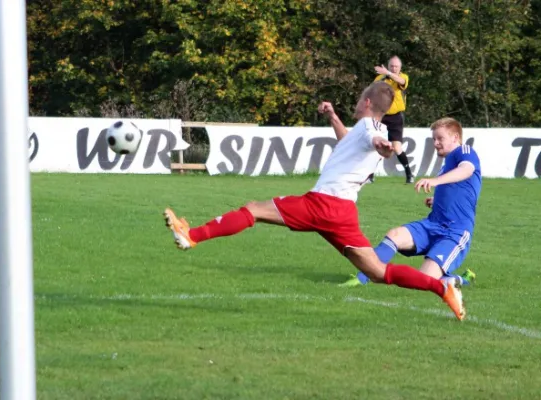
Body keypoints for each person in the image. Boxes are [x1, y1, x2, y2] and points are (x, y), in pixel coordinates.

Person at [163, 82, 465, 321]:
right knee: (377, 272)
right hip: (343, 212)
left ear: (368, 102)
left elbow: (373, 139)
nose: (357, 102)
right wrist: (334, 117)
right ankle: (442, 288)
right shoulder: (366, 129)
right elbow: (351, 140)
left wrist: (383, 147)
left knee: (254, 209)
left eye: (360, 98)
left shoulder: (371, 128)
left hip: (324, 204)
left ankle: (192, 236)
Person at [343, 117, 481, 291]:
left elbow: (466, 170)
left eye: (440, 138)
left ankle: (461, 279)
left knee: (423, 280)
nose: (436, 143)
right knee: (395, 235)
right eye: (434, 139)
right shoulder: (446, 165)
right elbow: (458, 191)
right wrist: (437, 201)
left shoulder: (465, 151)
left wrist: (435, 181)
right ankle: (362, 278)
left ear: (455, 137)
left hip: (455, 231)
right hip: (433, 224)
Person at [373, 56, 414, 184]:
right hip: (381, 115)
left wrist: (389, 73)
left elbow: (401, 82)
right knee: (376, 146)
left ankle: (409, 174)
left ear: (400, 68)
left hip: (396, 117)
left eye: (396, 66)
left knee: (396, 148)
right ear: (388, 65)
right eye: (391, 66)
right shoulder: (379, 79)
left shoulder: (403, 77)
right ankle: (369, 174)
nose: (394, 68)